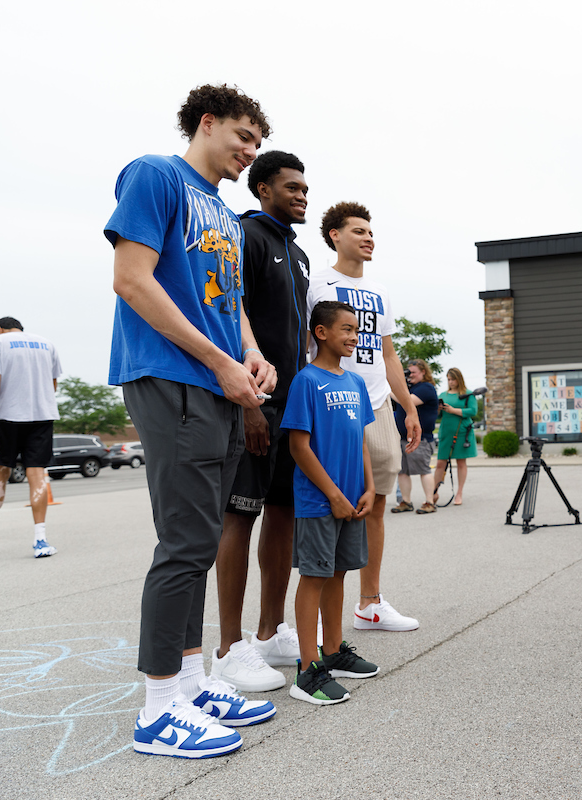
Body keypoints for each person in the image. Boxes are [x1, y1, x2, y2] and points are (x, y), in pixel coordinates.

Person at [106, 84, 278, 759]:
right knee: (182, 544)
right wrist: (217, 361)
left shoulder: (228, 217)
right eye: (242, 137)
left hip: (220, 385)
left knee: (202, 540)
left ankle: (194, 681)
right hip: (172, 377)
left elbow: (227, 301)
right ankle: (157, 710)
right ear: (207, 124)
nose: (248, 152)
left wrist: (253, 354)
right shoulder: (156, 175)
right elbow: (132, 279)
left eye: (257, 145)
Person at [211, 150, 311, 693]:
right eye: (291, 187)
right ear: (262, 189)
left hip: (294, 408)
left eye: (305, 189)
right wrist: (250, 404)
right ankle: (229, 648)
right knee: (239, 518)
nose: (301, 195)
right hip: (256, 402)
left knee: (285, 515)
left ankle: (270, 632)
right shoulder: (243, 235)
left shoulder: (297, 254)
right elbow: (229, 315)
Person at [307, 202, 420, 633]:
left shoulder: (380, 291)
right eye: (359, 231)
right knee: (330, 503)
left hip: (377, 404)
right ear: (334, 235)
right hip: (333, 402)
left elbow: (389, 354)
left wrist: (407, 406)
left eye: (371, 232)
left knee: (376, 503)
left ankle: (369, 603)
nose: (369, 238)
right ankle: (319, 611)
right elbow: (305, 344)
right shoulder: (317, 282)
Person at [284, 300, 382, 705]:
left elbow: (359, 439)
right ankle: (308, 671)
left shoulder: (356, 383)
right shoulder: (306, 381)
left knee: (339, 573)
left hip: (354, 500)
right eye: (346, 329)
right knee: (315, 577)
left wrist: (370, 487)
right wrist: (333, 495)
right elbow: (298, 446)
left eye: (357, 331)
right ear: (321, 332)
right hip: (319, 501)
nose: (353, 337)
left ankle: (334, 649)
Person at [0, 317, 62, 557]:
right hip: (41, 416)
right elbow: (53, 385)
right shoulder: (46, 344)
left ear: (0, 329)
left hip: (5, 417)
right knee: (37, 476)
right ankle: (41, 540)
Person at [393, 359, 439, 514]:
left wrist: (387, 388)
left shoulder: (426, 388)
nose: (410, 375)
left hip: (421, 438)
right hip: (403, 437)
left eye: (413, 372)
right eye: (408, 372)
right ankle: (405, 501)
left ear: (423, 372)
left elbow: (407, 401)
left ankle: (429, 502)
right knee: (402, 471)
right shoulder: (409, 388)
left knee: (424, 470)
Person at [434, 367, 478, 506]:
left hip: (462, 432)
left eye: (453, 379)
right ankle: (433, 493)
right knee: (440, 463)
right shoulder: (443, 394)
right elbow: (438, 416)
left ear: (459, 379)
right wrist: (438, 409)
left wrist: (453, 410)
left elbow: (473, 411)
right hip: (446, 432)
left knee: (461, 462)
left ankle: (459, 492)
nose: (450, 382)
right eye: (448, 379)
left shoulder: (468, 394)